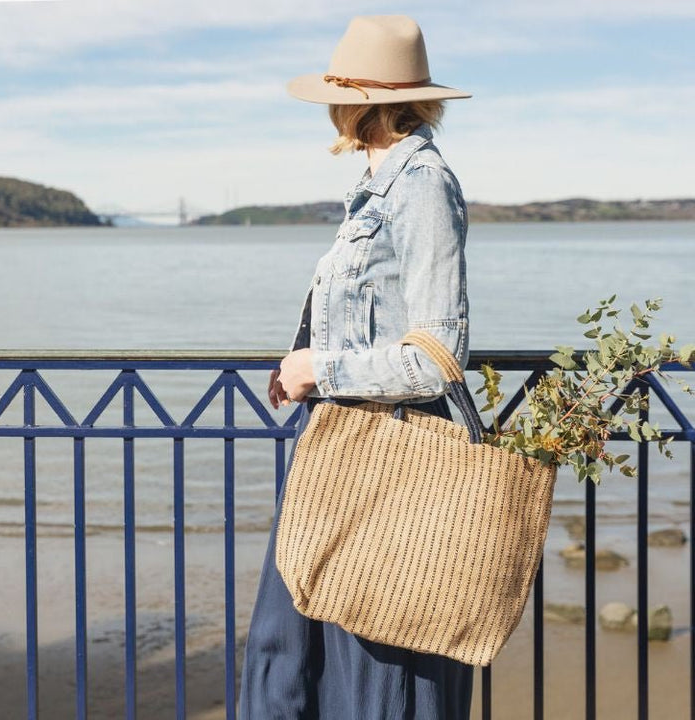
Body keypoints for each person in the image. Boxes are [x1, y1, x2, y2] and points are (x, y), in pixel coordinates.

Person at [239, 14, 474, 719]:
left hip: (385, 461)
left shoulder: (423, 183)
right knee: (291, 651)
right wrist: (304, 367)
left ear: (362, 103)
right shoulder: (377, 185)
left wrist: (323, 370)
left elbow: (438, 356)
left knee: (369, 666)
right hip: (339, 449)